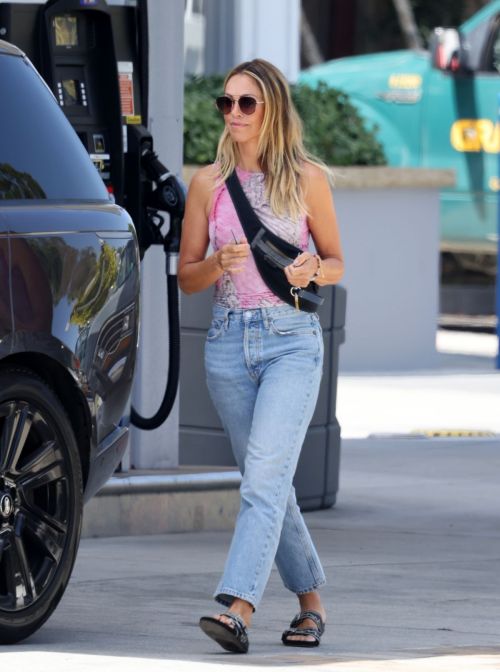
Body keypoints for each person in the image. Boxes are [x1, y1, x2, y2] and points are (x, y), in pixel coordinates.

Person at [178, 58, 344, 654]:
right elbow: (185, 279)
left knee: (265, 481)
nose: (234, 114)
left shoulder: (307, 179)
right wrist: (214, 265)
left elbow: (336, 262)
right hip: (226, 344)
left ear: (270, 108)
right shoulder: (206, 184)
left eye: (246, 103)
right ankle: (311, 605)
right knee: (267, 482)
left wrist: (311, 267)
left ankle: (238, 607)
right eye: (226, 103)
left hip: (291, 343)